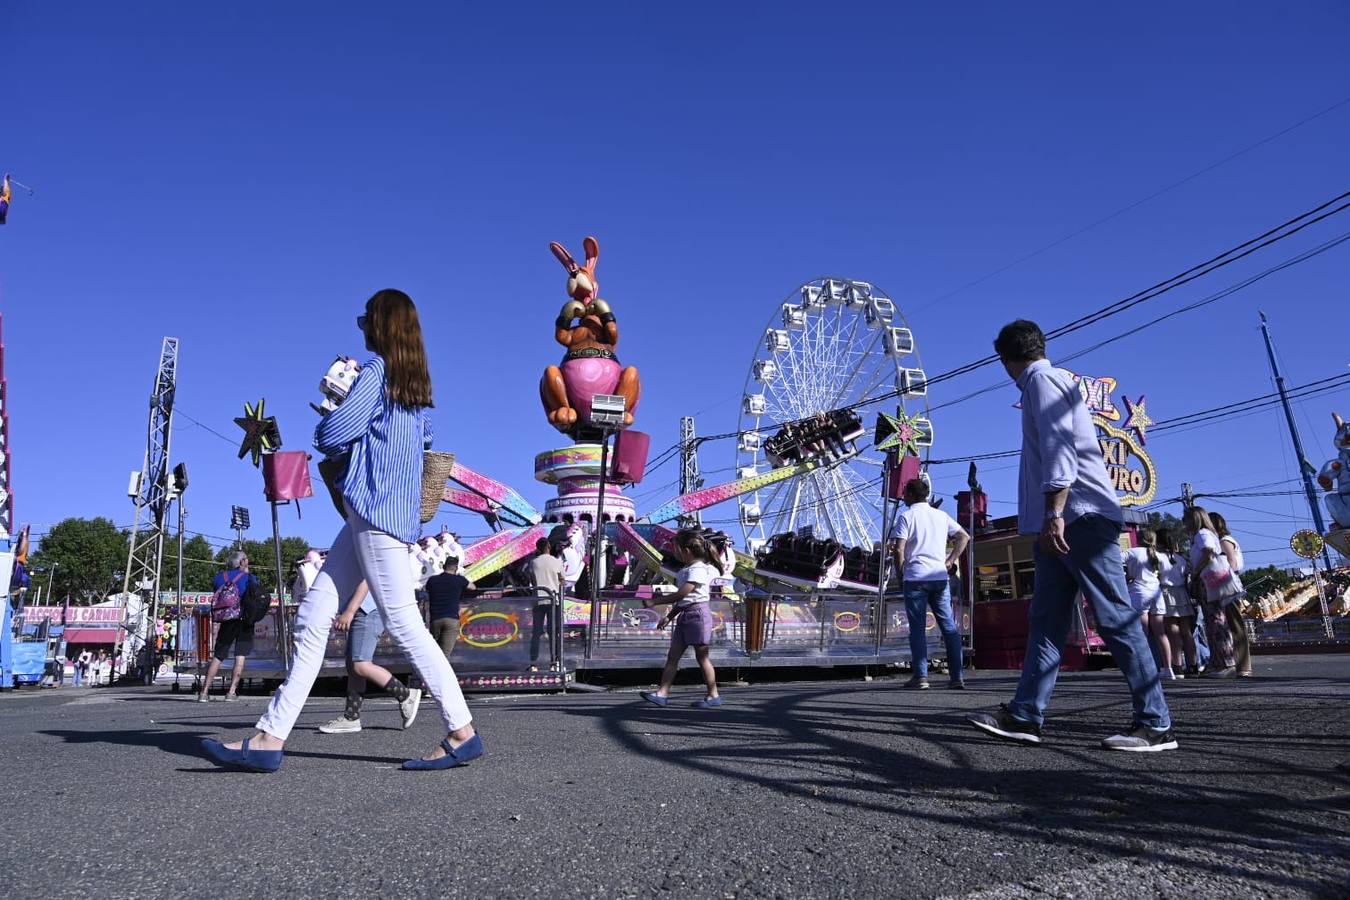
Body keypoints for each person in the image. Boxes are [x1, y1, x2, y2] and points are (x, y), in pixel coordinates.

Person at [202, 289, 480, 772]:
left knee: (403, 624)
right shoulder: (415, 392)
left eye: (364, 319)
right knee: (312, 618)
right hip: (377, 517)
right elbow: (424, 441)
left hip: (373, 514)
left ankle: (462, 731)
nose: (361, 326)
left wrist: (342, 401)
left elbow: (331, 435)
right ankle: (270, 738)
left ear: (381, 325)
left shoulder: (376, 374)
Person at [968, 320, 1175, 751]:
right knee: (1045, 622)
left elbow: (1059, 448)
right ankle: (1026, 714)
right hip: (1062, 520)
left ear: (1004, 359)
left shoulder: (1042, 382)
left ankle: (1155, 722)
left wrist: (1054, 513)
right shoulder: (1049, 382)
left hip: (1077, 517)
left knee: (1115, 617)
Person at [891, 478, 970, 690]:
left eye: (905, 493)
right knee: (949, 628)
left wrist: (900, 575)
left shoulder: (906, 516)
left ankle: (921, 676)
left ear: (910, 494)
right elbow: (964, 536)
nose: (903, 497)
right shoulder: (941, 516)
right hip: (939, 578)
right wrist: (950, 560)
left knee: (917, 629)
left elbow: (899, 550)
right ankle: (957, 677)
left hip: (915, 578)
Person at [319, 581, 423, 734]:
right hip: (363, 608)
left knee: (360, 664)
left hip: (366, 609)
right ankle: (351, 717)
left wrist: (349, 610)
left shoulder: (357, 555)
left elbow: (365, 578)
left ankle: (406, 695)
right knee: (353, 665)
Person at [640, 528, 724, 709]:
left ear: (686, 551)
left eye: (676, 549)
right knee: (673, 656)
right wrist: (669, 617)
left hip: (698, 616)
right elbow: (685, 600)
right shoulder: (686, 570)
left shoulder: (699, 569)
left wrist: (655, 602)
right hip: (686, 615)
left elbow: (682, 594)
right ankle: (662, 694)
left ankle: (713, 695)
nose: (674, 552)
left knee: (702, 657)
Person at [1184, 506, 1239, 678]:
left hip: (1208, 580)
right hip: (1212, 579)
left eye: (1186, 519)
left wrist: (1195, 572)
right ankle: (1219, 661)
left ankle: (1225, 662)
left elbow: (1208, 553)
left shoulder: (1202, 535)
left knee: (1215, 620)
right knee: (1214, 620)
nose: (1184, 523)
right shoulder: (1207, 534)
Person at [199, 552, 259, 702]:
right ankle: (231, 692)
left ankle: (204, 692)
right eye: (246, 559)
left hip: (226, 620)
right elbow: (255, 594)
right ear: (241, 562)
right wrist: (246, 573)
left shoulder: (219, 577)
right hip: (244, 621)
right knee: (240, 656)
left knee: (218, 655)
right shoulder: (249, 578)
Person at [1123, 528, 1173, 680]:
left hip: (1139, 592)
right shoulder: (1159, 555)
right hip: (1156, 593)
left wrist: (1127, 576)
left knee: (1142, 634)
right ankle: (1168, 668)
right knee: (1161, 634)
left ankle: (1145, 669)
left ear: (1138, 538)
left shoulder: (1132, 552)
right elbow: (1167, 573)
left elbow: (1113, 562)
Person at [1209, 512, 1253, 678]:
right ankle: (1240, 665)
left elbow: (1232, 562)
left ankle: (1243, 665)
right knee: (1231, 624)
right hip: (1228, 584)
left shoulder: (1224, 541)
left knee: (1235, 625)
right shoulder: (1225, 540)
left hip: (1228, 585)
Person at [1157, 530, 1198, 676]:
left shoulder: (1158, 557)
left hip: (1167, 593)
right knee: (1187, 632)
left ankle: (1177, 666)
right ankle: (1193, 665)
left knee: (1172, 631)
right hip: (1182, 593)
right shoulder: (1180, 559)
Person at [527, 538, 566, 671]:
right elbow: (562, 581)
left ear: (538, 548)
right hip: (553, 600)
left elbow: (532, 580)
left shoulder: (533, 562)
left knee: (536, 632)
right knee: (554, 632)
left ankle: (533, 663)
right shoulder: (557, 562)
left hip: (538, 600)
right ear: (549, 546)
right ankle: (554, 662)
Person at [425, 557, 472, 659]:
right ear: (455, 568)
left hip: (435, 619)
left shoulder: (432, 580)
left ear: (443, 566)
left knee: (434, 650)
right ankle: (440, 673)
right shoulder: (459, 580)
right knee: (445, 654)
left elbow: (426, 588)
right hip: (452, 619)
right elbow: (473, 587)